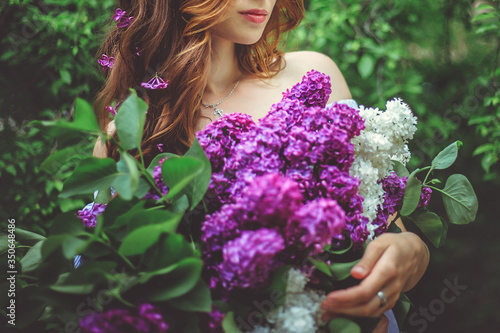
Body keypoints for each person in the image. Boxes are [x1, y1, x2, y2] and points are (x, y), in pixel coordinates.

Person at [93, 0, 430, 331]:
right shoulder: (131, 132)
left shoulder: (314, 75)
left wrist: (410, 251)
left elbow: (383, 221)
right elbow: (113, 290)